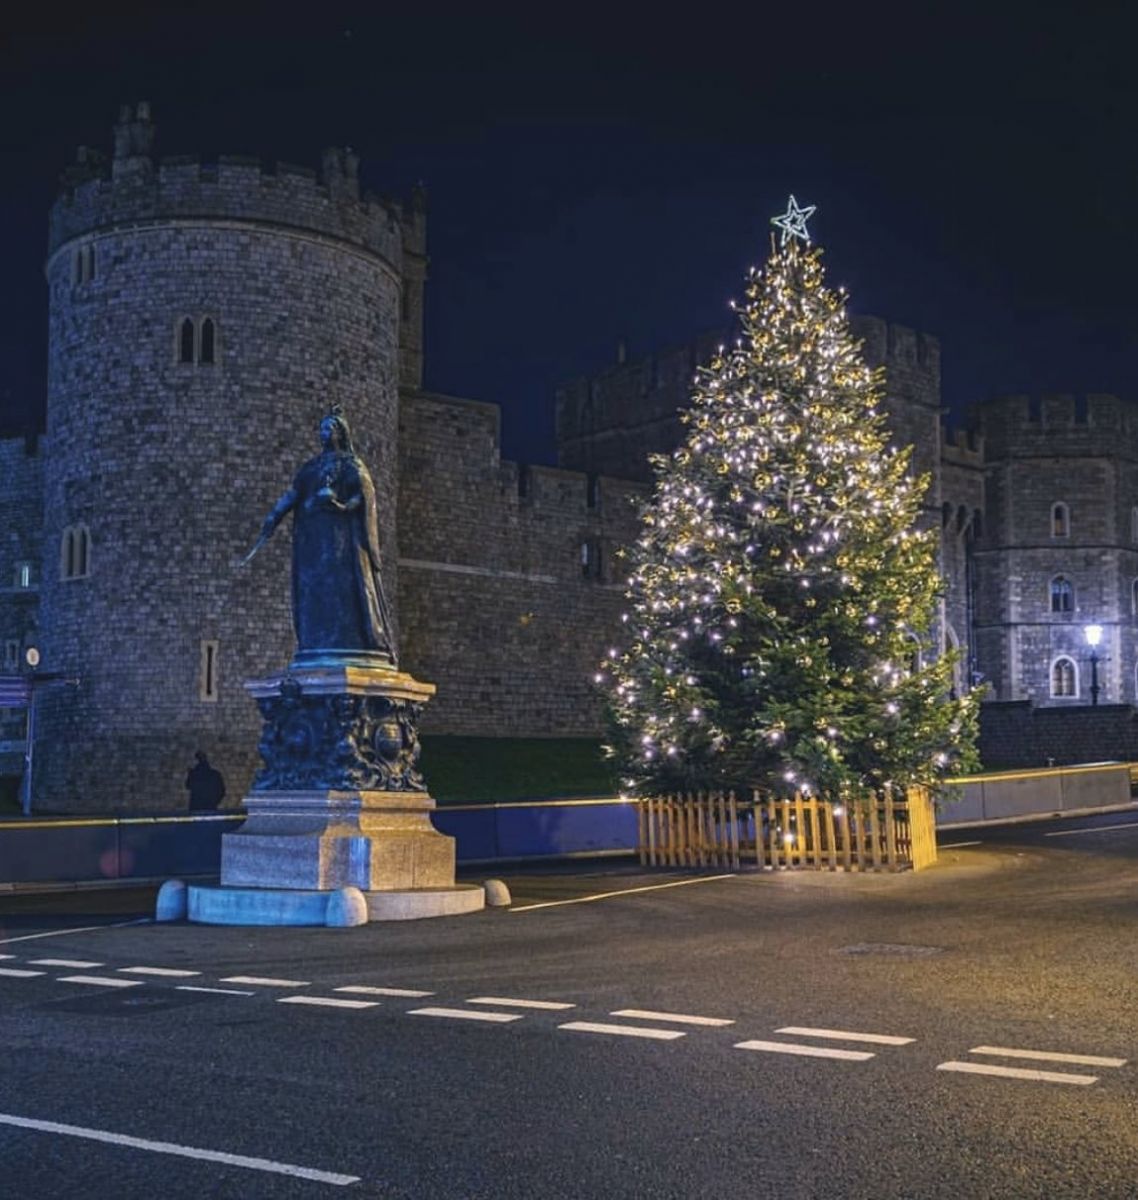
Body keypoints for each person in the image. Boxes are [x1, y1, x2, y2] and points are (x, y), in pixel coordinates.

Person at [248, 406, 396, 665]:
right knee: (316, 588)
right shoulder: (311, 468)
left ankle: (349, 639)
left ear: (340, 433)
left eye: (328, 428)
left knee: (342, 590)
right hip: (314, 541)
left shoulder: (351, 465)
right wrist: (274, 515)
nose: (324, 434)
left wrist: (341, 506)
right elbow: (293, 494)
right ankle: (320, 639)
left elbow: (362, 498)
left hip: (342, 542)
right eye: (321, 429)